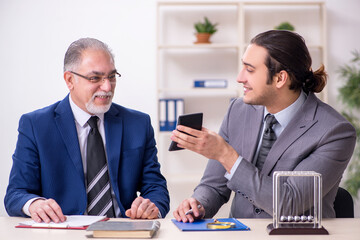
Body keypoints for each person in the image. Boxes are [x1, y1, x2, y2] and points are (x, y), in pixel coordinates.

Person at [171, 30, 356, 222]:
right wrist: (198, 204)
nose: (240, 77)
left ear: (280, 78)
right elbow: (213, 186)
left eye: (250, 70)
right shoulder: (238, 110)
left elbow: (289, 203)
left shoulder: (335, 132)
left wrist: (225, 154)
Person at [5, 38, 169, 223]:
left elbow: (156, 187)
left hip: (123, 230)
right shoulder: (36, 125)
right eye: (95, 78)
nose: (107, 87)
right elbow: (15, 194)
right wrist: (34, 204)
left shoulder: (138, 124)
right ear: (69, 80)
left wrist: (152, 206)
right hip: (63, 231)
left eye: (112, 76)